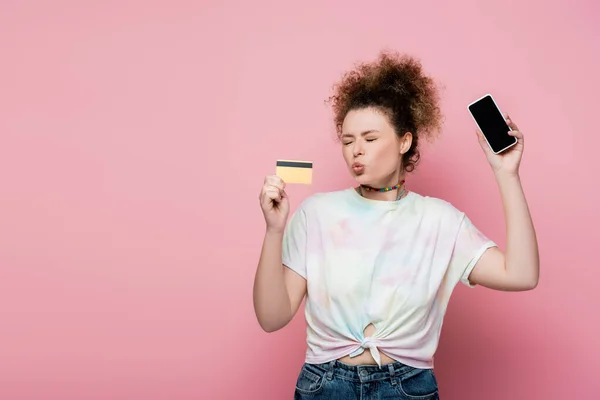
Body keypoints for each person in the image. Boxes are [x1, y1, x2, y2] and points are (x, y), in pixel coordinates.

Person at [252, 50, 539, 399]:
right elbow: (271, 317)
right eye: (347, 140)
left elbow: (521, 274)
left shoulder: (439, 220)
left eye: (370, 139)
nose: (356, 150)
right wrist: (274, 230)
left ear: (405, 141)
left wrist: (507, 175)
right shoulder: (316, 213)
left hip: (406, 388)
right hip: (323, 385)